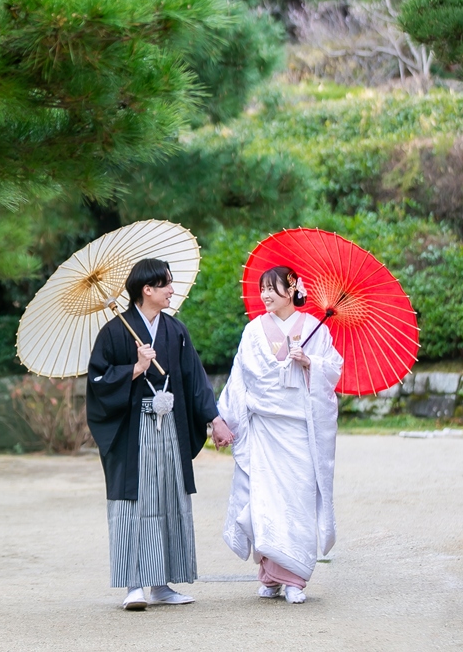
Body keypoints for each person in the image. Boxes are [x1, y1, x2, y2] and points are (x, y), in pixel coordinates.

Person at [86, 258, 224, 611]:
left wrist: (214, 418)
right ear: (146, 290)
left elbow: (194, 379)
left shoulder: (175, 331)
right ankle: (134, 585)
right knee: (135, 503)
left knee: (167, 498)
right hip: (133, 431)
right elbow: (98, 382)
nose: (171, 290)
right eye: (165, 285)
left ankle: (162, 584)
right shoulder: (115, 332)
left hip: (171, 429)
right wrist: (136, 368)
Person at [212, 265, 343, 604]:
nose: (266, 295)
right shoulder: (253, 330)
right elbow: (239, 379)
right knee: (264, 500)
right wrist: (222, 420)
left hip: (298, 429)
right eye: (262, 290)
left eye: (272, 289)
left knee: (296, 501)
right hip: (265, 430)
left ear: (292, 289)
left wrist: (310, 361)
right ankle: (271, 574)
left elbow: (333, 369)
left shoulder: (315, 328)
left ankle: (295, 578)